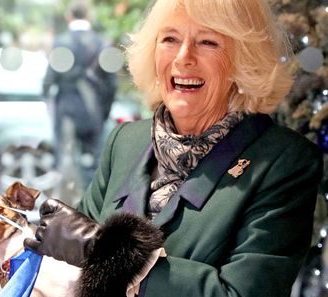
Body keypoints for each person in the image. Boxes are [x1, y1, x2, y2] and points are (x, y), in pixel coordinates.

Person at [25, 0, 324, 296]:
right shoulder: (125, 141)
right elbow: (69, 268)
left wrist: (104, 250)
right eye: (170, 39)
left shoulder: (284, 161)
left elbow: (242, 293)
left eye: (208, 42)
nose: (183, 57)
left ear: (242, 59)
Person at [43, 0, 117, 186]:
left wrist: (50, 105)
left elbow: (49, 80)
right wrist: (104, 112)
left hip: (66, 110)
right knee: (92, 166)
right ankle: (90, 209)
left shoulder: (60, 42)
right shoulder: (102, 43)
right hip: (92, 111)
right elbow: (111, 84)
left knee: (63, 164)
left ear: (69, 16)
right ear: (89, 16)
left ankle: (64, 205)